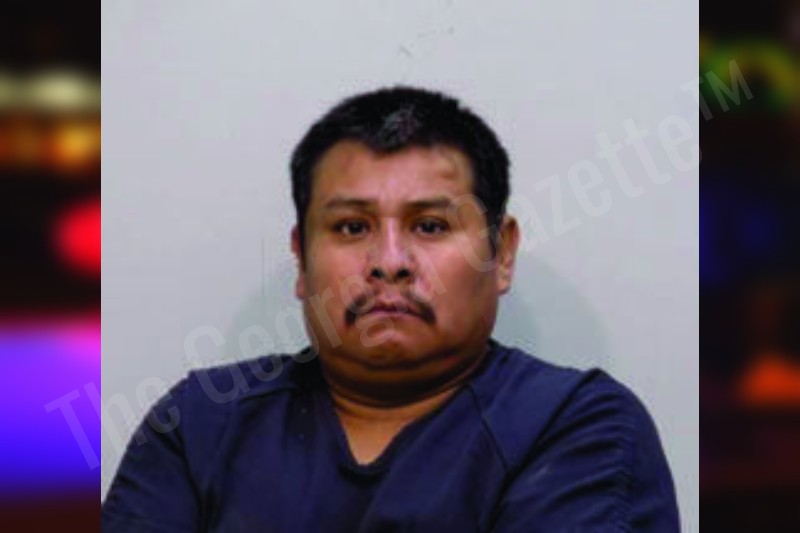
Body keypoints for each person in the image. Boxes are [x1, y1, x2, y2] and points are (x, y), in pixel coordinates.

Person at [102, 87, 679, 532]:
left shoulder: (577, 426)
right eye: (352, 228)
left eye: (430, 226)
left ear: (501, 254)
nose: (390, 262)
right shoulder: (200, 424)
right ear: (301, 259)